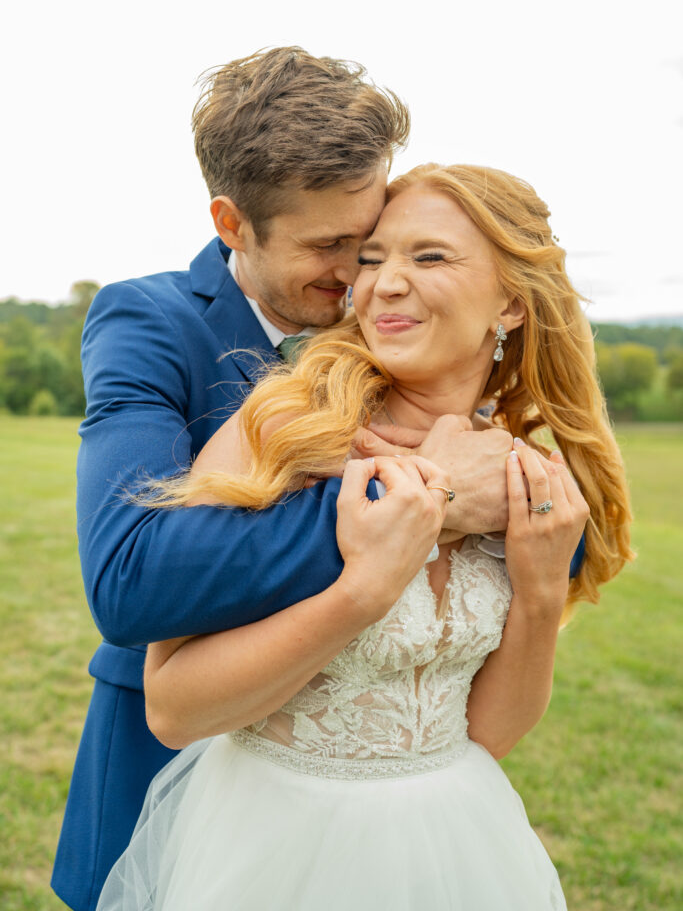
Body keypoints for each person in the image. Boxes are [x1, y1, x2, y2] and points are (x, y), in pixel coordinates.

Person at [53, 50, 522, 911]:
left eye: (371, 235)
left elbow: (527, 543)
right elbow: (130, 578)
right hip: (188, 779)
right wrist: (428, 504)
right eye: (331, 247)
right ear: (232, 222)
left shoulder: (405, 317)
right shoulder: (150, 322)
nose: (363, 277)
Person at [96, 163, 632, 909]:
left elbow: (483, 736)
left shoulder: (517, 472)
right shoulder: (282, 429)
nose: (382, 282)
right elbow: (174, 709)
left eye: (429, 257)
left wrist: (539, 594)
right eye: (373, 258)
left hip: (454, 845)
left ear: (509, 302)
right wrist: (363, 590)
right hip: (271, 848)